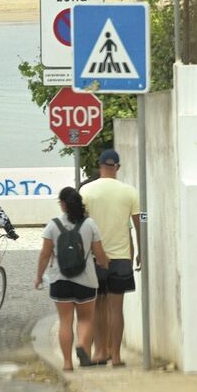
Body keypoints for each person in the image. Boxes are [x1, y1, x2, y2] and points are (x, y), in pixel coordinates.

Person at [79, 149, 140, 367]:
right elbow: (138, 223)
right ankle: (116, 356)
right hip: (121, 258)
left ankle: (99, 352)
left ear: (99, 165)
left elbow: (80, 225)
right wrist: (140, 250)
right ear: (118, 167)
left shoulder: (86, 191)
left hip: (94, 258)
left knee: (97, 307)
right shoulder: (129, 192)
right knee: (116, 309)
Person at [36, 187, 108, 371]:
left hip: (60, 280)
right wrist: (104, 264)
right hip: (86, 281)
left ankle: (67, 364)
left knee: (65, 321)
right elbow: (99, 254)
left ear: (63, 204)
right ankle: (82, 346)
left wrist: (39, 277)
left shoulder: (53, 225)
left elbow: (45, 255)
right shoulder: (90, 224)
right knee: (85, 319)